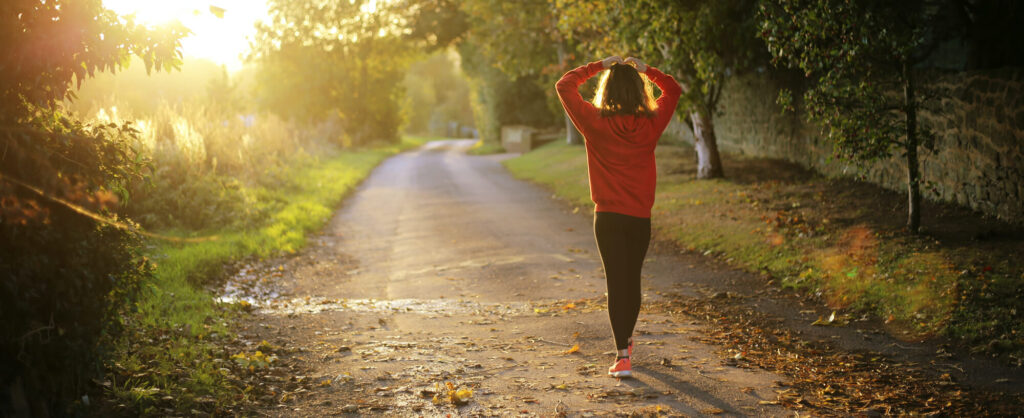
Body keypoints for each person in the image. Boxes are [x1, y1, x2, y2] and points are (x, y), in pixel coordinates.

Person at [555, 55, 682, 378]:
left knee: (616, 282)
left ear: (607, 91)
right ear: (640, 92)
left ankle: (622, 355)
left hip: (608, 217)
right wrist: (647, 70)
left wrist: (599, 65)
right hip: (639, 217)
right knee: (632, 280)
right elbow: (673, 89)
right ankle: (625, 341)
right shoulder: (652, 123)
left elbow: (564, 85)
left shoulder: (594, 122)